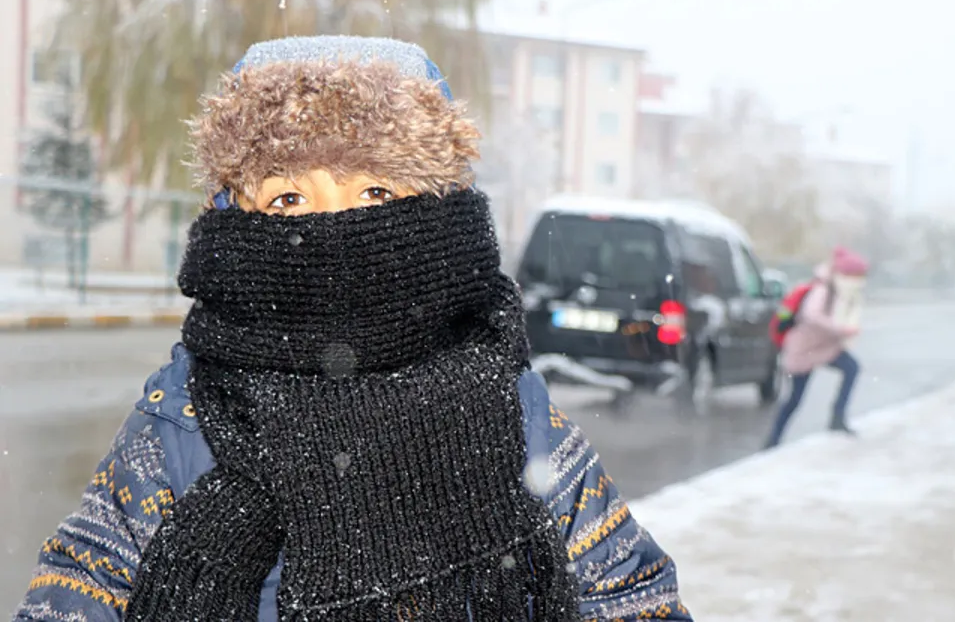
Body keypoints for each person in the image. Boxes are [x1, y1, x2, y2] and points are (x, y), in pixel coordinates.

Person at [12, 36, 690, 622]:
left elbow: (629, 593)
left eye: (375, 192)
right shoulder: (186, 414)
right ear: (235, 219)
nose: (333, 227)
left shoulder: (510, 409)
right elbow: (85, 577)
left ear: (438, 210)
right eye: (288, 197)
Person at [764, 247, 868, 449]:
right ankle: (772, 441)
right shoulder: (823, 289)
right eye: (854, 275)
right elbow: (811, 315)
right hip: (803, 350)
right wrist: (840, 329)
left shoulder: (840, 291)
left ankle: (837, 417)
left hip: (824, 348)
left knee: (852, 368)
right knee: (794, 399)